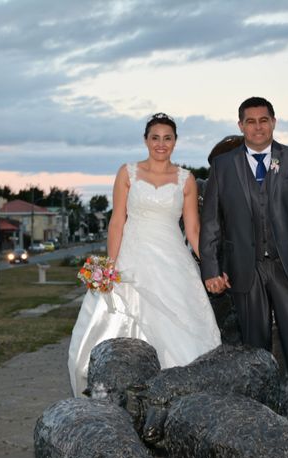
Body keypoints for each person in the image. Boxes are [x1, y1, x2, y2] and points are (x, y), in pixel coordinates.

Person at [68, 113, 222, 397]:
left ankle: (179, 393)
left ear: (175, 142)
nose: (161, 144)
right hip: (133, 258)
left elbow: (194, 231)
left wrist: (213, 267)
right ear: (145, 140)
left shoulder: (185, 179)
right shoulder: (127, 173)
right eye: (155, 138)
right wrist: (110, 267)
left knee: (181, 322)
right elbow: (117, 221)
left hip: (173, 261)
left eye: (167, 138)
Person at [199, 97, 288, 378]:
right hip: (244, 268)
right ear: (241, 125)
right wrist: (210, 269)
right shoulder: (223, 166)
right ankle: (260, 412)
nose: (258, 127)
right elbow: (210, 223)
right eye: (251, 121)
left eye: (263, 120)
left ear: (273, 122)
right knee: (254, 349)